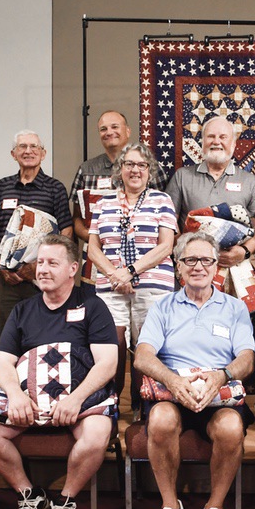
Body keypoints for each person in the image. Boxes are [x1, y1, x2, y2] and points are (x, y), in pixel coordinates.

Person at [0, 235, 118, 509]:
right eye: (40, 262)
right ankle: (30, 496)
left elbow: (107, 364)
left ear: (72, 269)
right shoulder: (23, 310)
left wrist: (76, 399)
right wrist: (14, 394)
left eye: (53, 263)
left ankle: (64, 502)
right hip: (29, 400)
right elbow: (2, 362)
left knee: (95, 435)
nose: (43, 269)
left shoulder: (93, 305)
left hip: (81, 400)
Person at [133, 232, 255, 509]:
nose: (198, 266)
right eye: (190, 260)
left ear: (217, 266)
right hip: (173, 395)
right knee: (159, 420)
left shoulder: (234, 307)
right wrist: (173, 381)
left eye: (206, 260)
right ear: (177, 267)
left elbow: (247, 358)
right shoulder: (163, 307)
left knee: (230, 427)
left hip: (219, 395)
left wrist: (222, 375)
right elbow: (143, 357)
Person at [87, 141, 176, 401]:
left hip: (152, 285)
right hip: (110, 286)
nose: (135, 170)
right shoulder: (103, 203)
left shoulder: (162, 200)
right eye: (129, 164)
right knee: (111, 346)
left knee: (146, 348)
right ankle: (108, 407)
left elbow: (166, 246)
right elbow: (93, 249)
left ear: (149, 171)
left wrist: (130, 272)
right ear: (120, 169)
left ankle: (143, 409)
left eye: (141, 165)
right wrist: (117, 276)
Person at [0, 130, 73, 338]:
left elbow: (66, 231)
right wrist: (0, 265)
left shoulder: (55, 188)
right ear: (13, 154)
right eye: (22, 147)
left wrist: (38, 266)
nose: (28, 151)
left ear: (43, 153)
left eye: (34, 147)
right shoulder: (1, 187)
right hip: (6, 279)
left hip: (41, 276)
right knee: (6, 336)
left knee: (43, 333)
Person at [166, 115, 255, 269]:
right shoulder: (182, 176)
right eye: (210, 136)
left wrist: (244, 251)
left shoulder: (250, 182)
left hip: (235, 266)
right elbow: (168, 226)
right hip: (192, 265)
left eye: (223, 137)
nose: (216, 141)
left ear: (233, 144)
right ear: (203, 142)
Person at [70, 110, 131, 292]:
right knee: (94, 308)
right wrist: (97, 237)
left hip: (137, 254)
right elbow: (76, 218)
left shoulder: (147, 166)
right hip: (95, 257)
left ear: (127, 131)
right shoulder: (87, 169)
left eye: (115, 126)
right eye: (103, 129)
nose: (109, 132)